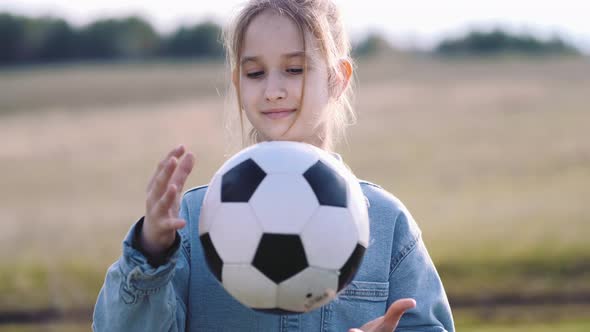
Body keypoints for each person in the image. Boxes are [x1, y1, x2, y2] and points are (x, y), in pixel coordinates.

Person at [92, 0, 455, 331]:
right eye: (255, 73)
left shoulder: (385, 221)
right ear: (237, 83)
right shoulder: (194, 219)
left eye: (294, 69)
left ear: (336, 79)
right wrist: (151, 251)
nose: (273, 90)